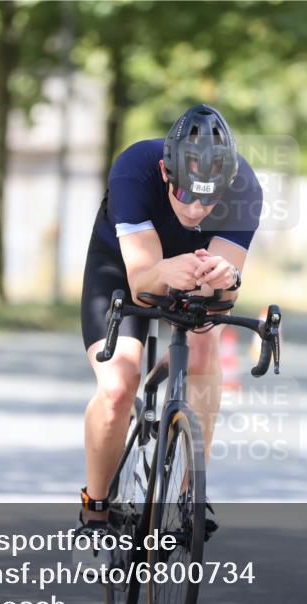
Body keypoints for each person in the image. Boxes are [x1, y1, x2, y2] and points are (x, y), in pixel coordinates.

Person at [77, 104, 262, 550]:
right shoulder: (134, 169)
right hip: (122, 266)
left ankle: (189, 494)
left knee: (204, 349)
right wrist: (164, 270)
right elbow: (142, 286)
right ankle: (96, 508)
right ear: (166, 173)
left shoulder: (245, 187)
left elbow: (224, 296)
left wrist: (226, 280)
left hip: (192, 267)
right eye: (185, 195)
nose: (196, 209)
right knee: (119, 384)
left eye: (209, 200)